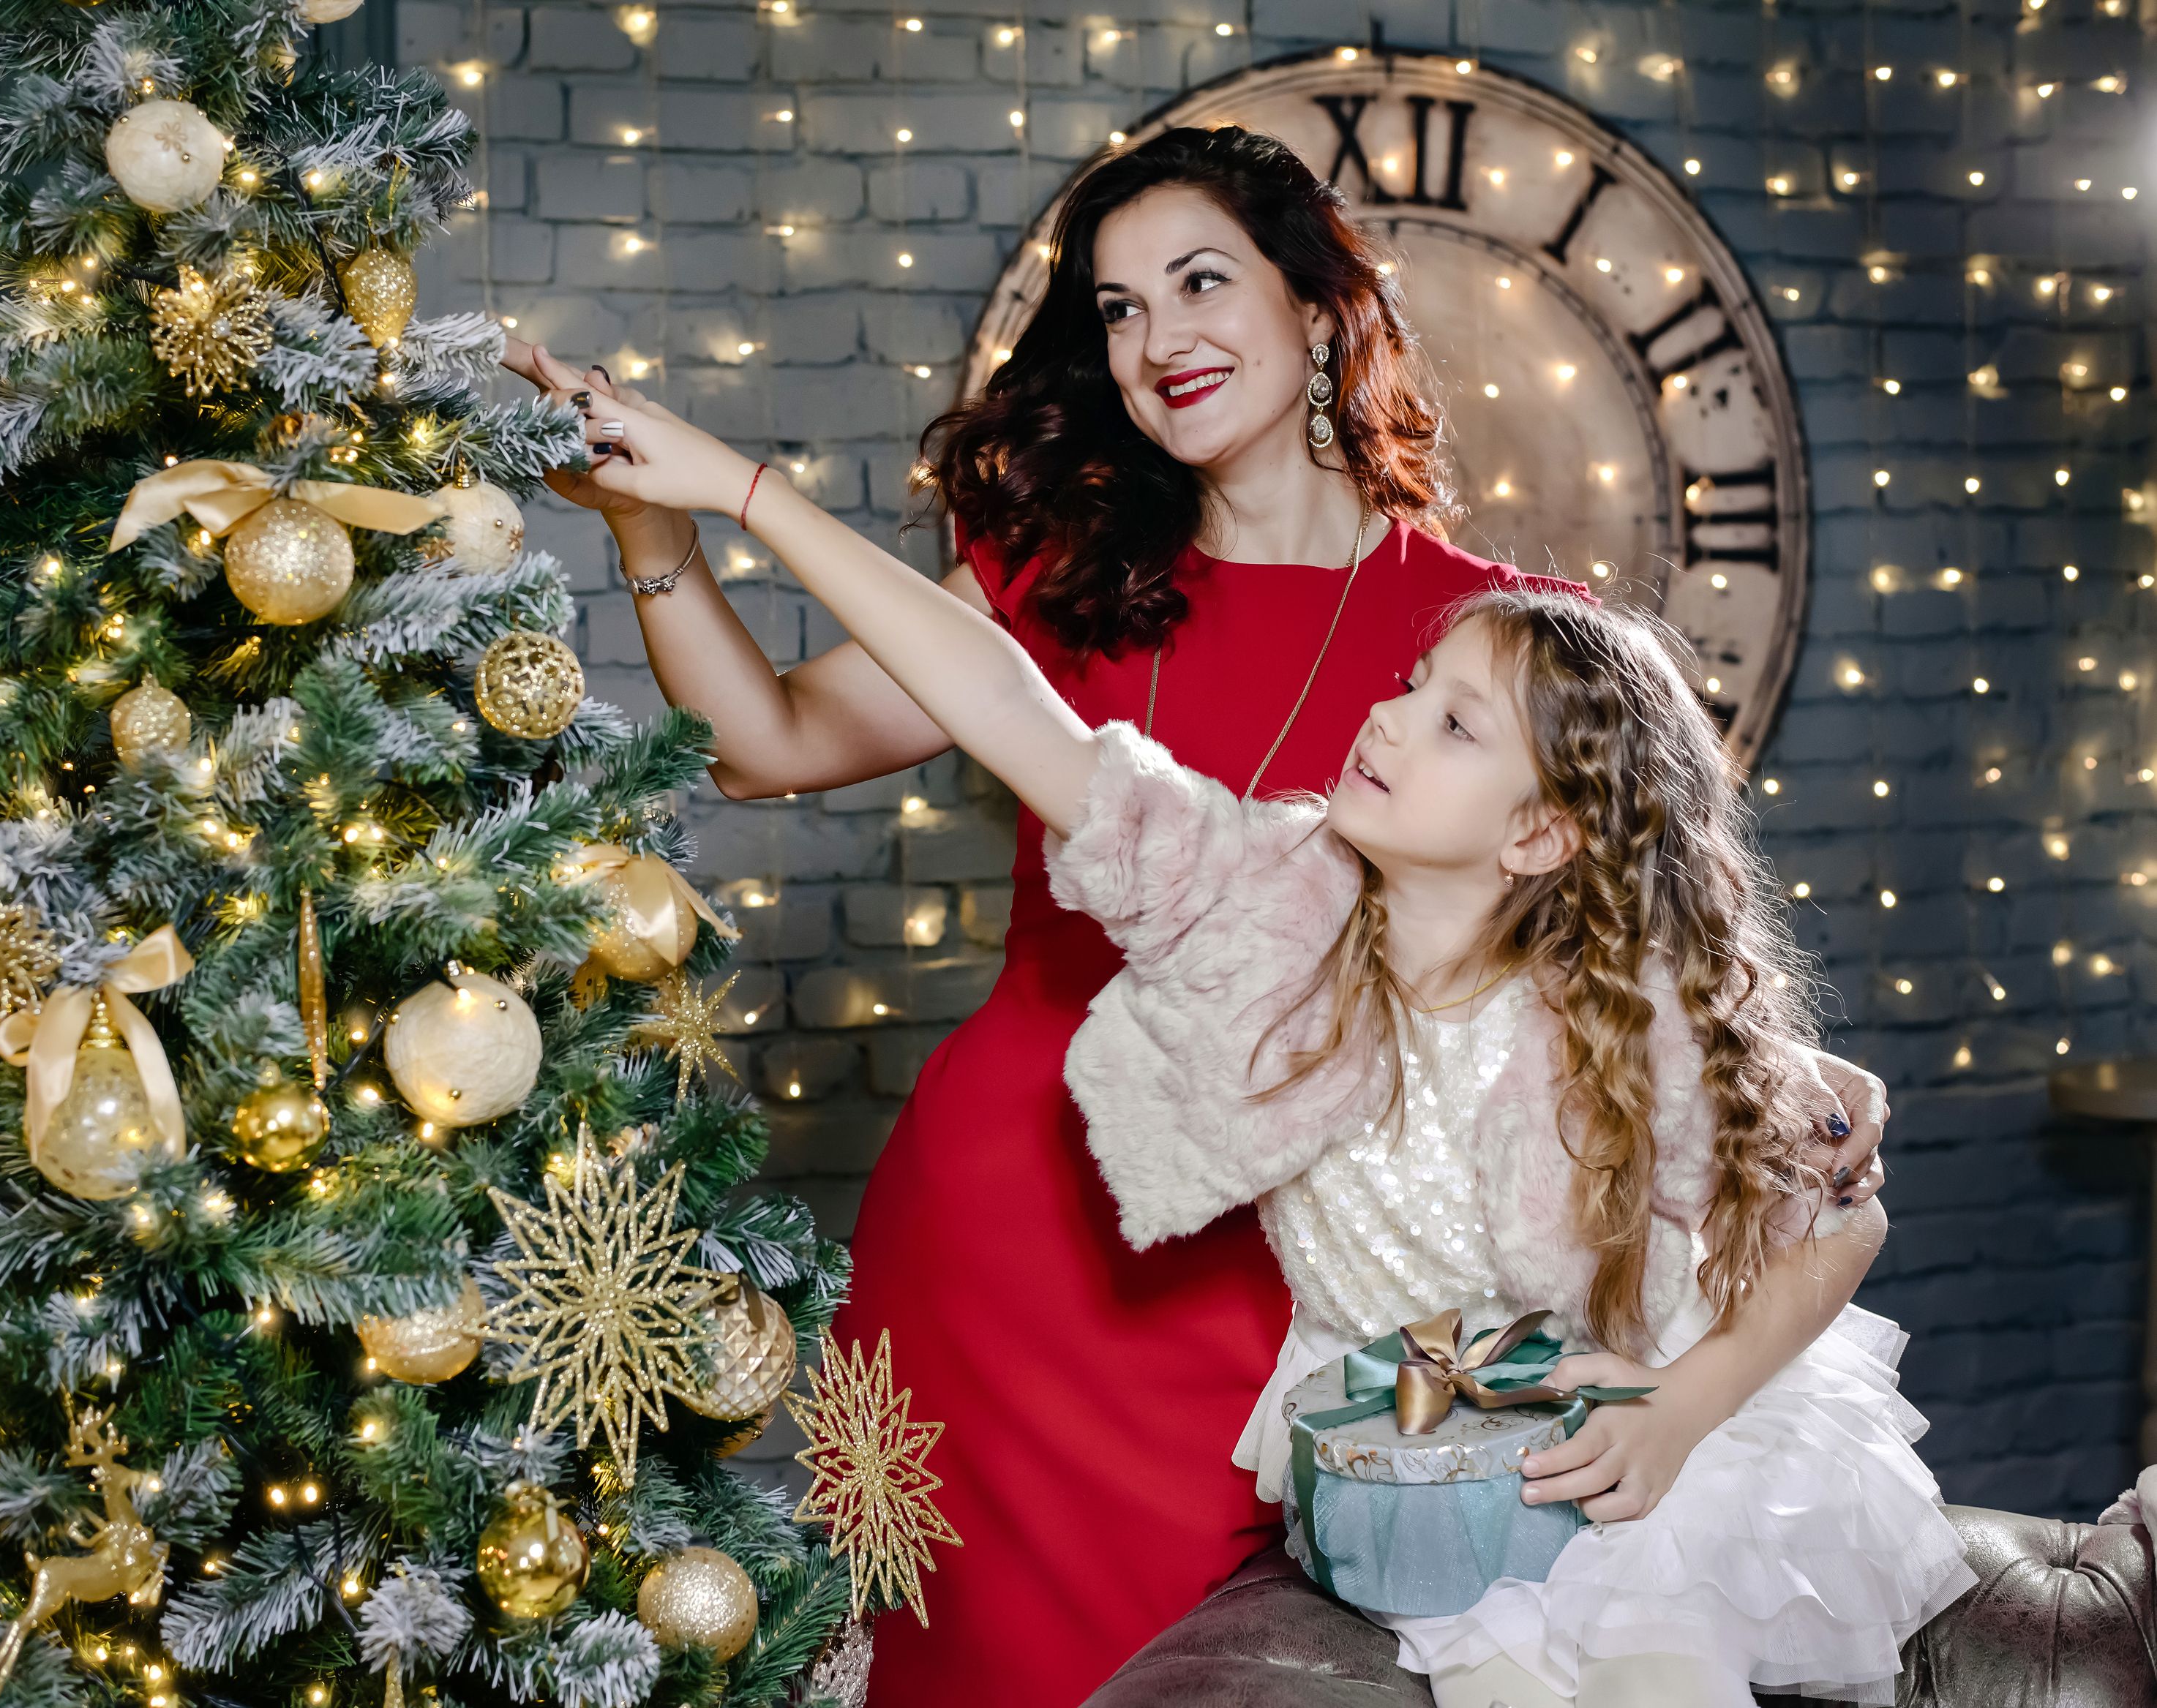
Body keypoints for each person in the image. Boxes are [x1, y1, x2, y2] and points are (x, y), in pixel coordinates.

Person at [503, 126, 1889, 1704]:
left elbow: (1633, 940)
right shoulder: (1057, 578)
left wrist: (1789, 1069)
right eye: (1118, 308)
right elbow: (765, 747)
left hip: (1291, 1291)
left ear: (1318, 308)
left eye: (1201, 282)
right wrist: (659, 530)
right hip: (996, 1247)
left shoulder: (1492, 649)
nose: (1159, 339)